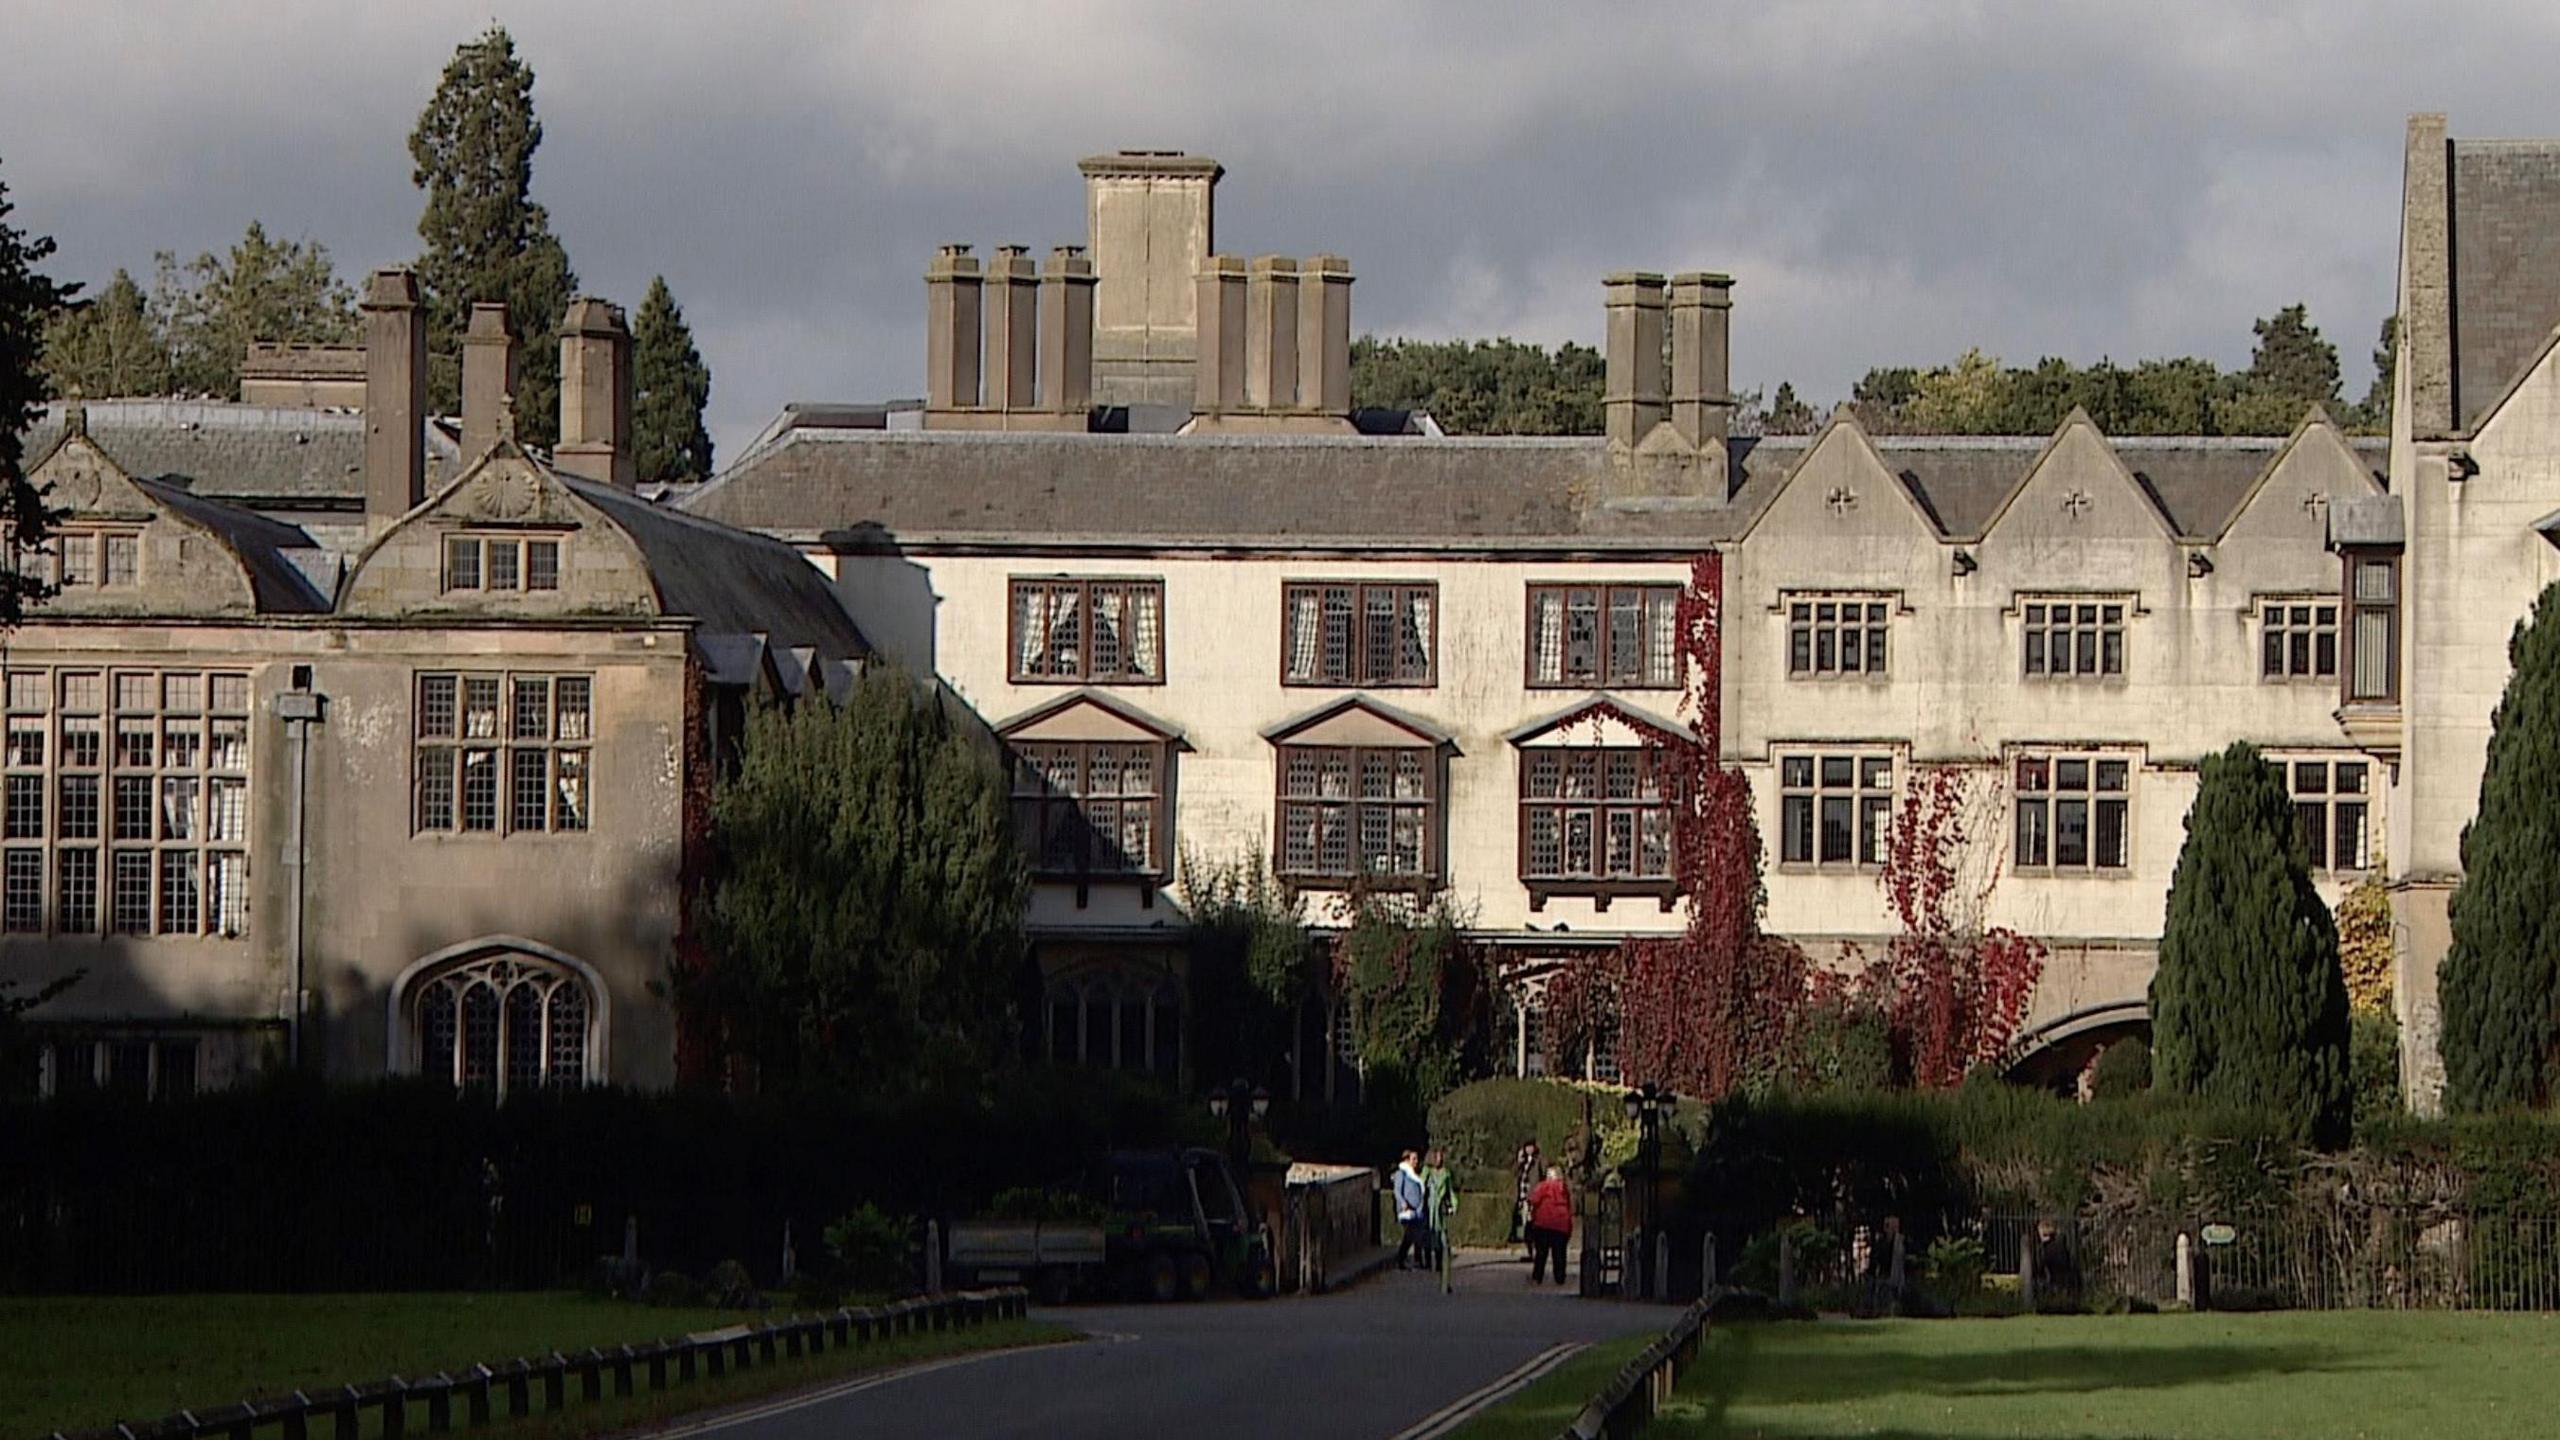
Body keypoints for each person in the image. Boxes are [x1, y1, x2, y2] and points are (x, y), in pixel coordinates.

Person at [1525, 1165, 1573, 1285]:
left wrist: (1530, 1214)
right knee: (1560, 1254)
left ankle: (1537, 1277)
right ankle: (1560, 1278)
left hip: (1543, 1223)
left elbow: (1533, 1200)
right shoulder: (1564, 1188)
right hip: (1561, 1224)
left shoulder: (1543, 1186)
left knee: (1541, 1253)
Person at [1422, 1147, 1455, 1277]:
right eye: (1436, 1157)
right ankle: (1428, 1262)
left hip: (1439, 1208)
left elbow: (1450, 1191)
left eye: (1441, 1157)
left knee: (1441, 1236)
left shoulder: (1446, 1173)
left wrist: (1453, 1204)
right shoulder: (1427, 1171)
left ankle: (1440, 1263)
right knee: (1429, 1235)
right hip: (1428, 1206)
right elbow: (1420, 1185)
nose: (1439, 1159)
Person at [1393, 1150, 1427, 1271]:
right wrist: (1403, 1203)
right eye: (1414, 1159)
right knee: (1410, 1235)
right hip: (1406, 1212)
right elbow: (1397, 1191)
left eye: (1417, 1159)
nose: (1416, 1162)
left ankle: (1416, 1260)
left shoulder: (1415, 1175)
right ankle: (1402, 1259)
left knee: (1416, 1235)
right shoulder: (1401, 1174)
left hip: (1417, 1211)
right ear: (1407, 1160)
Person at [1510, 1139, 1541, 1250]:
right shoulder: (1523, 1161)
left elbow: (1541, 1177)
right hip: (1522, 1196)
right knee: (1524, 1223)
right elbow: (1514, 1174)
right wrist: (1519, 1161)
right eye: (1527, 1147)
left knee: (1531, 1222)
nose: (1529, 1149)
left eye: (1531, 1147)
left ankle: (1534, 1246)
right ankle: (1529, 1247)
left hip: (1532, 1196)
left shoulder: (1538, 1160)